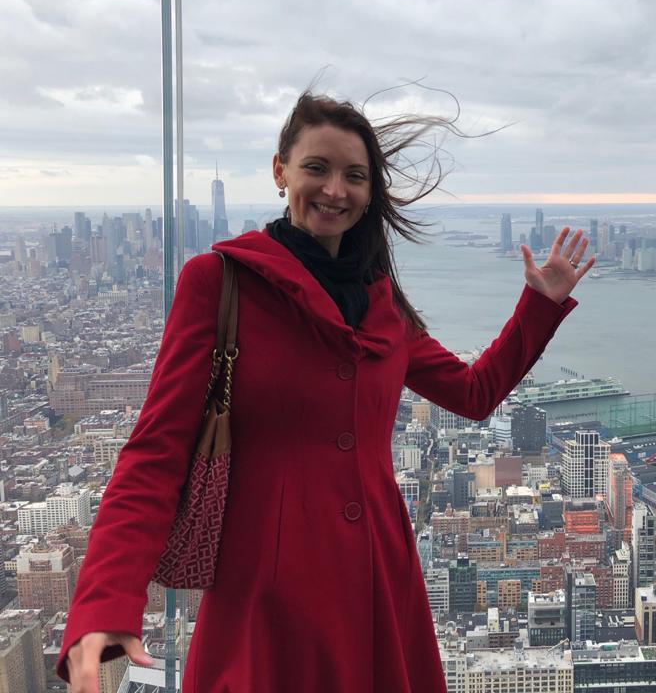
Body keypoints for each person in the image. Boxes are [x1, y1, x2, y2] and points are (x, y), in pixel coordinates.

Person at [56, 91, 595, 693]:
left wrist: (539, 308)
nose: (335, 190)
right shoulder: (220, 283)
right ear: (280, 170)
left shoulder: (381, 303)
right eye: (317, 168)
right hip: (267, 595)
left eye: (354, 177)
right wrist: (104, 606)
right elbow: (154, 455)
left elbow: (473, 393)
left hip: (380, 583)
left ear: (369, 195)